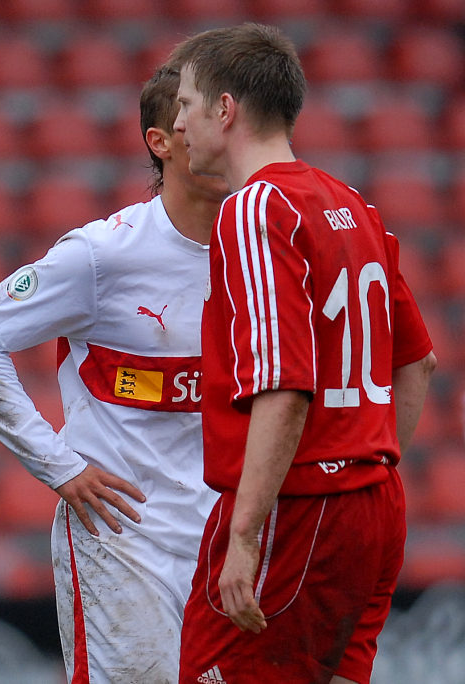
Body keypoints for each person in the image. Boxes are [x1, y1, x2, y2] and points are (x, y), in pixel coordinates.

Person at [171, 24, 437, 684]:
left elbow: (284, 387)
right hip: (375, 501)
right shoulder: (354, 203)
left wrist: (245, 535)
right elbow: (418, 362)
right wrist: (365, 468)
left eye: (184, 103)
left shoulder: (257, 208)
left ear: (225, 109)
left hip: (299, 507)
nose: (177, 124)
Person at [0, 64, 227, 683]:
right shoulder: (104, 254)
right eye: (213, 119)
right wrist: (59, 465)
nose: (231, 137)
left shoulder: (261, 249)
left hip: (225, 535)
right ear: (163, 140)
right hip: (123, 541)